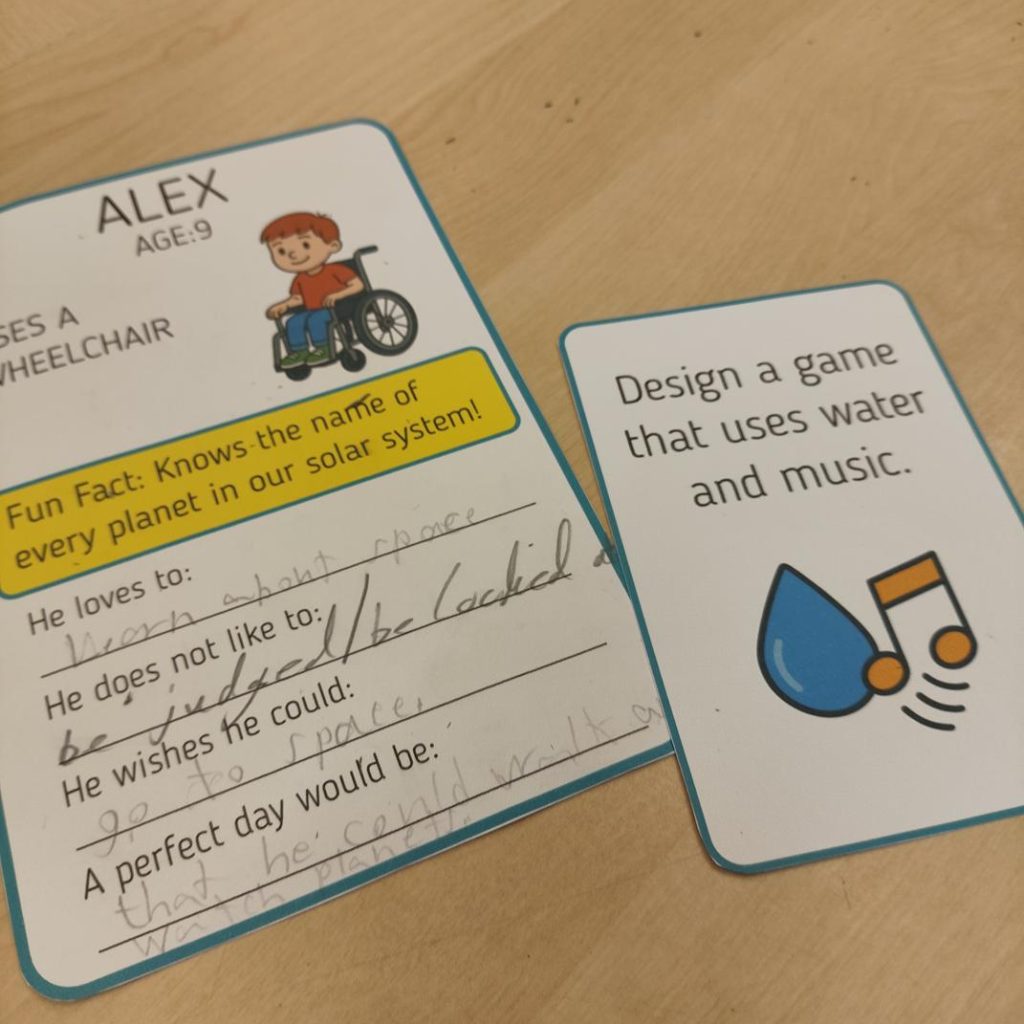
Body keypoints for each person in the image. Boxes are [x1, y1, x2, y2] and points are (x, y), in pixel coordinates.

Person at [261, 212, 364, 367]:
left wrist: (338, 295)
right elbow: (298, 298)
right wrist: (284, 305)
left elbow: (357, 285)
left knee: (315, 320)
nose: (293, 255)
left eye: (305, 245)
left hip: (340, 306)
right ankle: (299, 352)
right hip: (313, 309)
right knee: (293, 322)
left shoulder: (336, 270)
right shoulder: (300, 279)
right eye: (281, 251)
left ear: (333, 246)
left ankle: (323, 348)